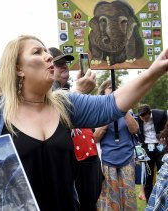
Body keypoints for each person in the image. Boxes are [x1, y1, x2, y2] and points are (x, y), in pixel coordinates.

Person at [0, 35, 168, 210]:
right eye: (38, 52)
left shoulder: (65, 104)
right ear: (18, 68)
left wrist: (154, 71)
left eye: (47, 51)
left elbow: (111, 104)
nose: (48, 56)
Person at [49, 47, 102, 211]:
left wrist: (80, 92)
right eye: (58, 64)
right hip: (73, 164)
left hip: (88, 157)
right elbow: (56, 115)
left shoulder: (67, 90)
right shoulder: (48, 91)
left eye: (65, 62)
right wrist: (79, 92)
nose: (64, 66)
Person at [94, 80, 139, 210]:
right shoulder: (98, 112)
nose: (113, 89)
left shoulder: (127, 110)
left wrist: (122, 109)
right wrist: (109, 113)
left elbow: (135, 130)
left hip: (127, 158)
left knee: (129, 198)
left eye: (116, 87)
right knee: (111, 199)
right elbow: (95, 138)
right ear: (103, 93)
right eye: (109, 87)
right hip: (107, 160)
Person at [136, 104, 167, 201]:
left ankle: (164, 198)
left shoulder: (160, 114)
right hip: (145, 147)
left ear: (150, 113)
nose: (143, 119)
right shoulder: (137, 119)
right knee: (147, 175)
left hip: (159, 146)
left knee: (163, 172)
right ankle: (149, 201)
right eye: (141, 117)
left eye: (145, 117)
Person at [146, 121, 168, 210]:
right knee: (149, 176)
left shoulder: (159, 115)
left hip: (161, 158)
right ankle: (147, 197)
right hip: (151, 151)